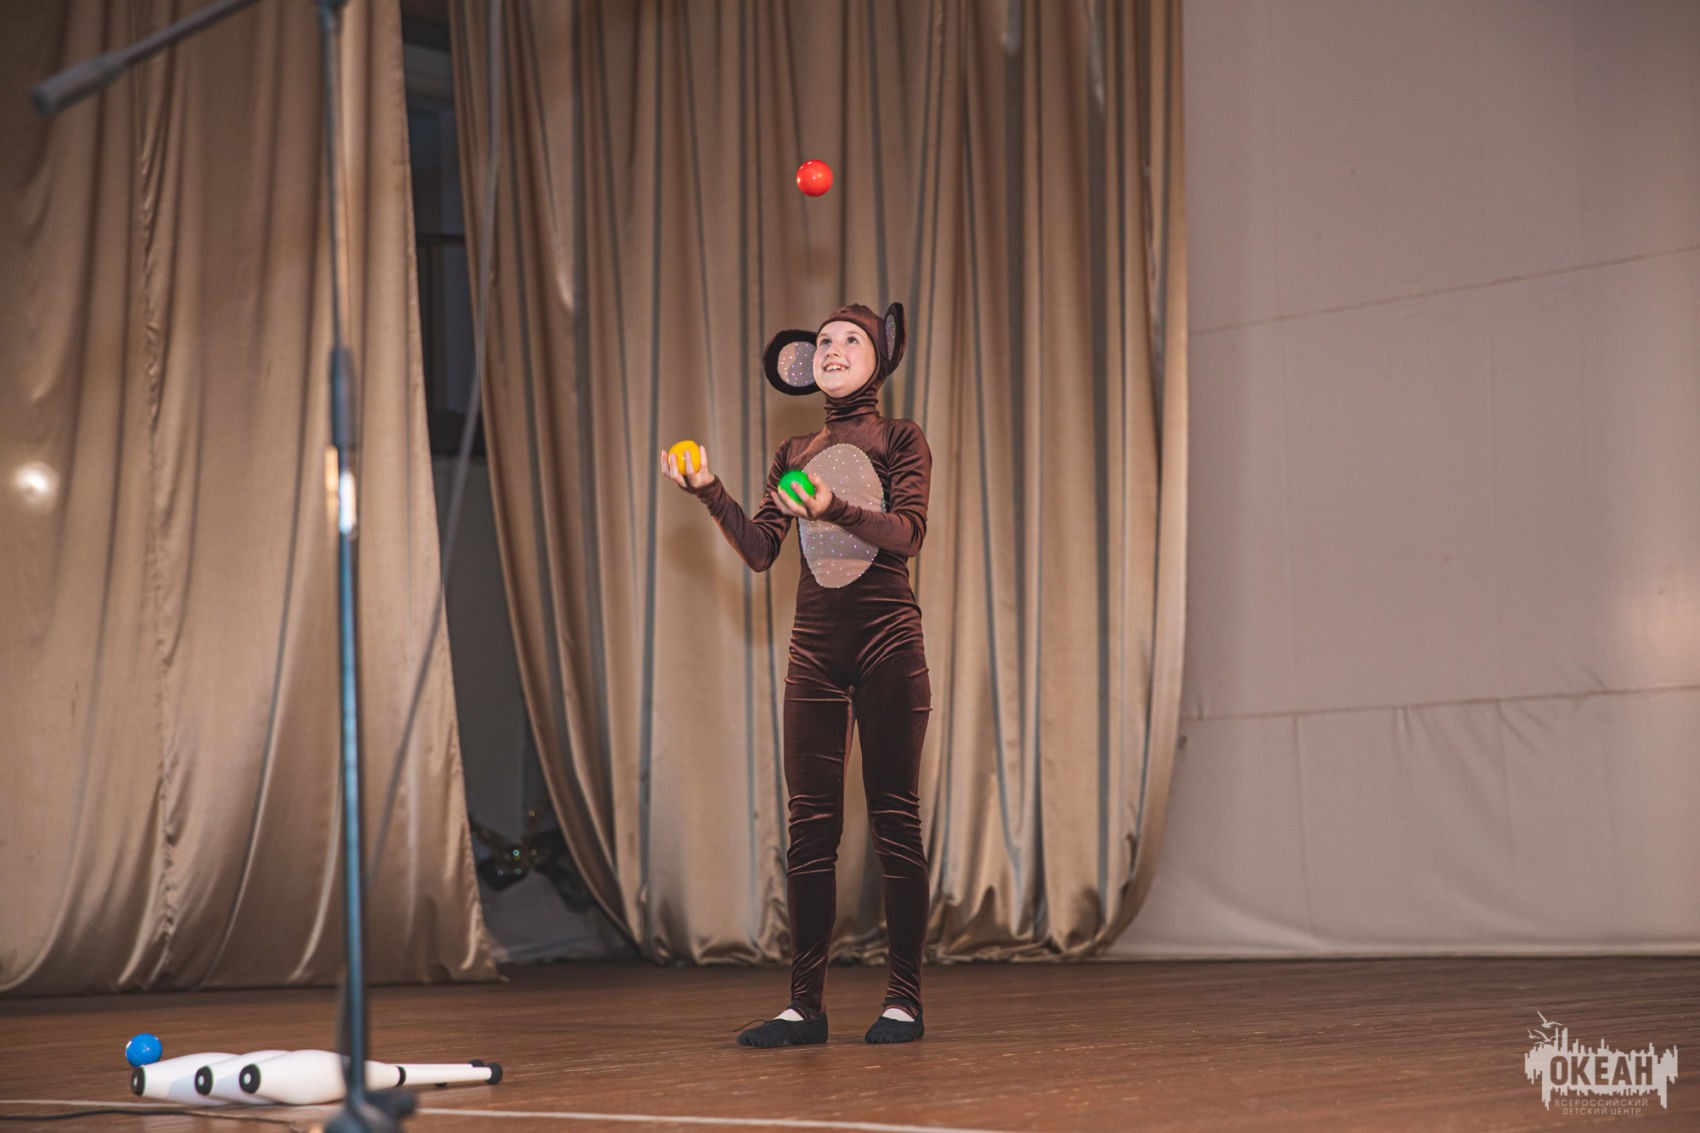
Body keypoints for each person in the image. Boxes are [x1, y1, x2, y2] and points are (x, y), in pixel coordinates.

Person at [662, 302, 932, 1047]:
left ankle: (904, 1001)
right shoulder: (792, 450)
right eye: (823, 341)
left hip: (888, 645)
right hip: (814, 653)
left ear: (881, 357)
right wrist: (709, 488)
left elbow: (907, 533)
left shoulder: (901, 438)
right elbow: (760, 550)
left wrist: (836, 507)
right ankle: (804, 1006)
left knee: (895, 821)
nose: (832, 348)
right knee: (810, 829)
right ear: (803, 366)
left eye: (851, 338)